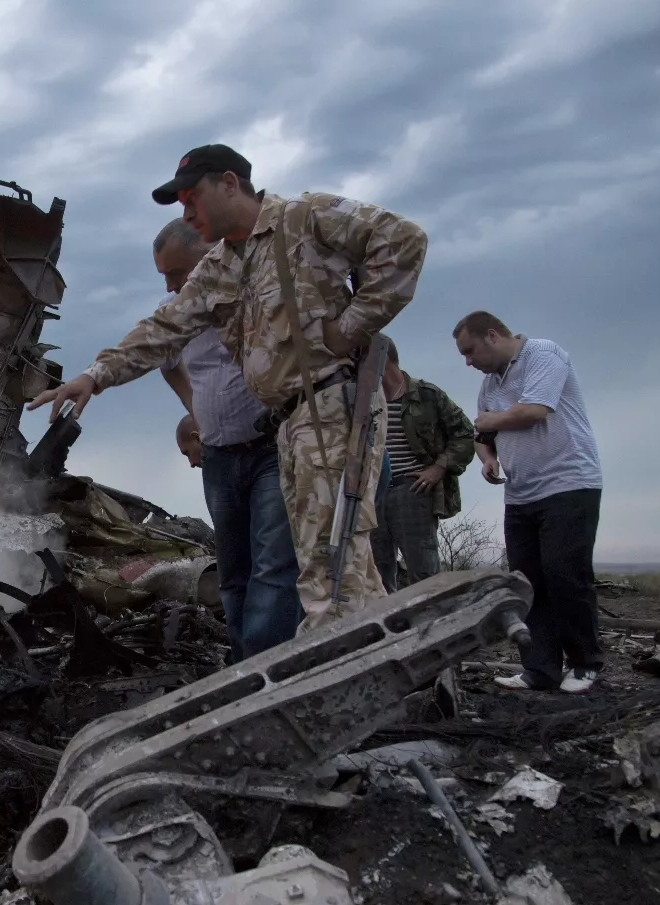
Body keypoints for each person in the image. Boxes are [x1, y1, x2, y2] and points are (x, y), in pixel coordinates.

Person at [28, 144, 428, 632]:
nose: (187, 210)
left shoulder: (304, 217)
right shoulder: (221, 265)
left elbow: (404, 240)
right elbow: (163, 328)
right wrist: (95, 375)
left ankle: (328, 689)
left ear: (230, 184)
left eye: (192, 196)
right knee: (343, 569)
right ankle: (391, 675)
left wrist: (350, 327)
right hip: (290, 424)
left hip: (330, 407)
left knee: (330, 565)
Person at [153, 219, 301, 661]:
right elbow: (166, 363)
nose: (172, 283)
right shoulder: (173, 311)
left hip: (272, 449)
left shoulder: (257, 293)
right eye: (164, 276)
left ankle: (266, 669)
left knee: (274, 564)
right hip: (218, 455)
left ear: (211, 256)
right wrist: (195, 408)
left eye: (178, 272)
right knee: (233, 570)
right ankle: (242, 664)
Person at [453, 311, 604, 694]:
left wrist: (490, 422)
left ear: (492, 335)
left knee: (565, 574)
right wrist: (487, 458)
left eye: (470, 351)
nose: (468, 362)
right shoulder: (490, 383)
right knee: (527, 582)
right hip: (520, 493)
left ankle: (585, 664)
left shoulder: (542, 355)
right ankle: (541, 669)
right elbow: (481, 432)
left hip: (568, 484)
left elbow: (533, 412)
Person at [370, 340, 476, 591]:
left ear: (385, 358)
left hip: (412, 490)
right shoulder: (364, 400)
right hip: (372, 493)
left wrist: (439, 468)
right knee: (375, 576)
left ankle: (435, 625)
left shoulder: (426, 395)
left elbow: (465, 433)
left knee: (424, 574)